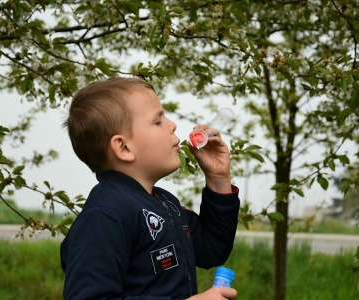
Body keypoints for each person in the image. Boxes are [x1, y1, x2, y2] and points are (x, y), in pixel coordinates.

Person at [60, 77, 240, 300]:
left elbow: (212, 249)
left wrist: (218, 178)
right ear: (124, 147)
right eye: (158, 120)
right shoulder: (105, 216)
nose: (172, 124)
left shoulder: (165, 203)